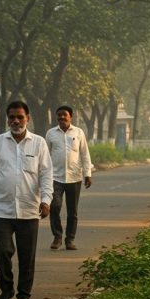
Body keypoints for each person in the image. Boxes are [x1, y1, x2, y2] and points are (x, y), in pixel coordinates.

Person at [0, 101, 54, 299]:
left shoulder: (39, 143)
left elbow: (46, 175)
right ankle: (6, 289)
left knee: (27, 257)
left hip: (29, 209)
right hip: (2, 209)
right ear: (7, 118)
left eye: (20, 117)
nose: (16, 121)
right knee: (2, 250)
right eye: (12, 117)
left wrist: (46, 201)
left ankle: (24, 295)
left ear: (27, 118)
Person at [45, 106, 93, 251]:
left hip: (74, 177)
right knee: (54, 207)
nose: (61, 118)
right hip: (55, 177)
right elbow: (45, 156)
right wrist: (43, 175)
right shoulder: (51, 133)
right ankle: (57, 236)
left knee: (73, 211)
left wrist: (87, 174)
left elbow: (84, 154)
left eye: (64, 115)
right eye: (59, 115)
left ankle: (70, 239)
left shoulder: (78, 132)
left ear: (70, 117)